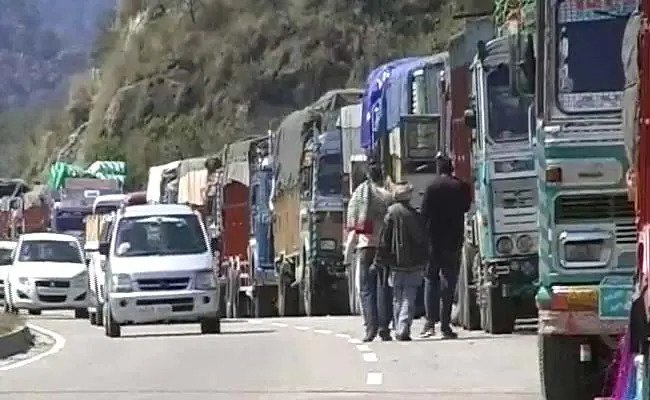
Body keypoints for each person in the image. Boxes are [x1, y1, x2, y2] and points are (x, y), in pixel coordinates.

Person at [421, 153, 472, 339]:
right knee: (448, 283)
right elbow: (466, 207)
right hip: (453, 241)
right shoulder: (460, 187)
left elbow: (424, 213)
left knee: (430, 280)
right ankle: (445, 325)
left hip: (433, 242)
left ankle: (429, 323)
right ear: (451, 168)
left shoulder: (431, 187)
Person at [344, 162, 393, 342]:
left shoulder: (359, 196)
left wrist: (347, 255)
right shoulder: (388, 197)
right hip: (383, 249)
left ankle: (370, 329)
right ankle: (384, 328)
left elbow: (353, 231)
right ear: (382, 176)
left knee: (366, 290)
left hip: (365, 249)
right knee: (383, 289)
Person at [374, 182, 428, 341]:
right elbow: (423, 240)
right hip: (414, 263)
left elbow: (384, 239)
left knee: (397, 297)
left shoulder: (390, 213)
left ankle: (399, 326)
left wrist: (380, 259)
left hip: (395, 264)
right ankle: (403, 327)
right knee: (409, 297)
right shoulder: (414, 215)